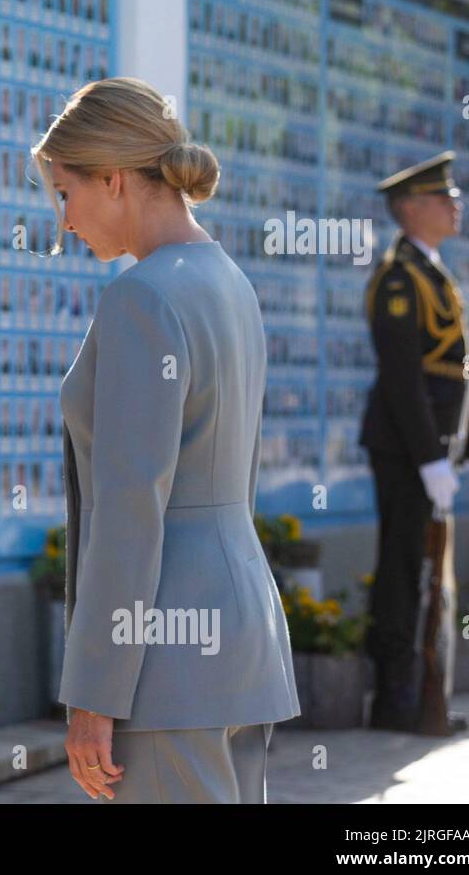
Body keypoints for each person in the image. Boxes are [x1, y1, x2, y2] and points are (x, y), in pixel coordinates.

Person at [36, 78, 299, 803]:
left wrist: (94, 694)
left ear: (115, 180)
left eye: (66, 193)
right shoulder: (229, 281)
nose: (63, 221)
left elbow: (130, 510)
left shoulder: (142, 297)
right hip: (239, 638)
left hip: (164, 660)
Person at [361, 151, 469, 734]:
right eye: (441, 197)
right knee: (403, 567)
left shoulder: (430, 270)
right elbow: (405, 377)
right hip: (407, 447)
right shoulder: (399, 277)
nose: (455, 205)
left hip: (431, 447)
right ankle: (395, 698)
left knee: (424, 567)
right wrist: (430, 459)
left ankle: (419, 689)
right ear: (411, 208)